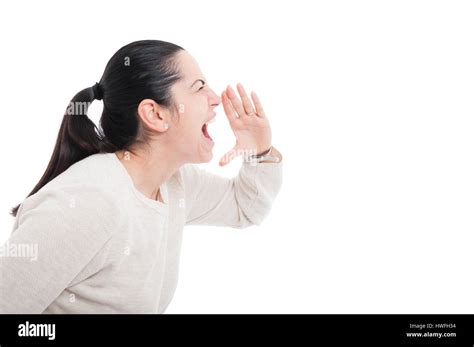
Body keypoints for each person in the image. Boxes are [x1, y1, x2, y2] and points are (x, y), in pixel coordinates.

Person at [0, 40, 283, 313]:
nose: (216, 98)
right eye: (199, 87)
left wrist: (259, 150)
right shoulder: (85, 203)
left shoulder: (175, 183)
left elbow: (245, 207)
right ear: (155, 114)